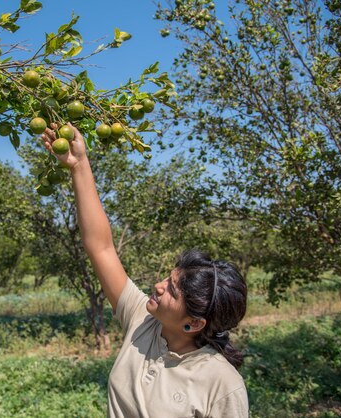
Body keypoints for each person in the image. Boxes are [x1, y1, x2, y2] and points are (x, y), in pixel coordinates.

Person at [42, 123, 249, 418]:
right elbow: (101, 248)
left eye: (172, 291)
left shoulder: (222, 384)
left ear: (194, 323)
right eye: (169, 277)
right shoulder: (143, 320)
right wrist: (79, 166)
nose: (159, 285)